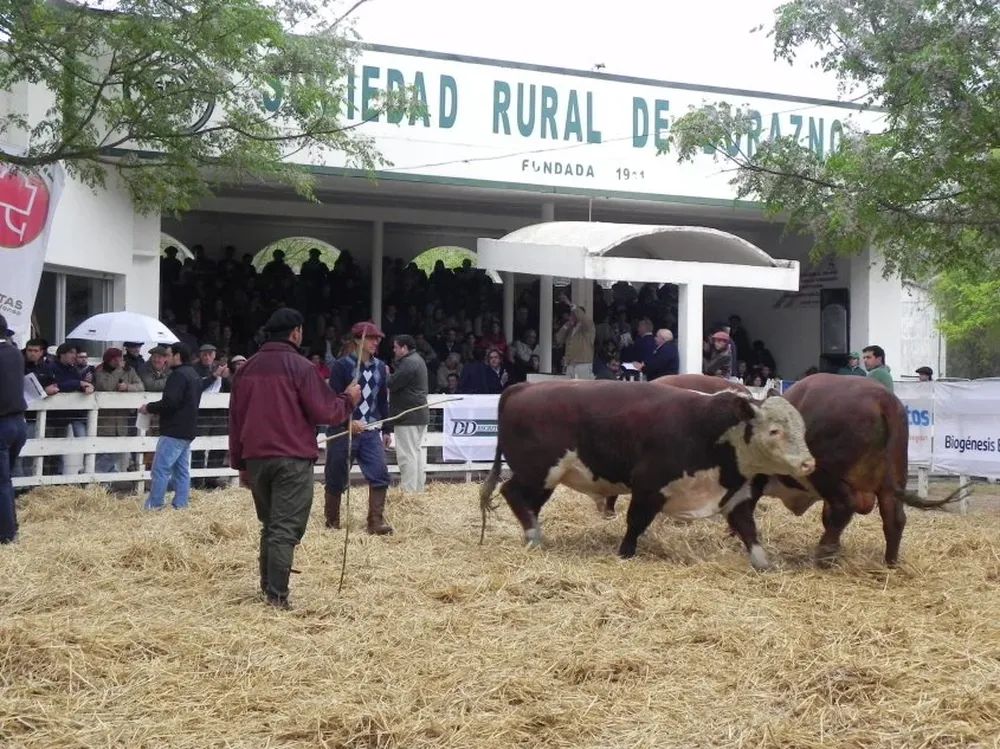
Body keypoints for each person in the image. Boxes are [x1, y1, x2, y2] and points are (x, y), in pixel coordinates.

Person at [228, 308, 361, 609]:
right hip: (291, 456)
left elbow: (235, 419)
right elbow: (326, 412)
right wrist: (349, 399)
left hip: (256, 458)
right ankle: (277, 596)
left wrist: (240, 464)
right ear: (296, 332)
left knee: (269, 525)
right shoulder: (300, 367)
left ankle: (267, 587)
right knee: (285, 529)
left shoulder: (246, 369)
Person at [324, 321, 393, 535]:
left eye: (378, 338)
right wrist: (346, 423)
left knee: (380, 473)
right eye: (371, 338)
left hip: (370, 429)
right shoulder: (341, 367)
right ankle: (332, 522)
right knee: (335, 476)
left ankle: (375, 522)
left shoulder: (381, 367)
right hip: (342, 431)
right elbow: (332, 401)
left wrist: (387, 429)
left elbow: (382, 400)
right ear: (357, 340)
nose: (376, 342)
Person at [139, 342, 202, 510]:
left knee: (160, 470)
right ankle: (181, 505)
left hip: (174, 430)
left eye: (167, 355)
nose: (165, 359)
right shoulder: (193, 374)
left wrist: (149, 407)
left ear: (177, 356)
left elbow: (170, 402)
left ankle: (155, 506)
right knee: (181, 471)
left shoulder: (178, 376)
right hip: (187, 429)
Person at [387, 334, 430, 494]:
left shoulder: (408, 363)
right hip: (418, 413)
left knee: (407, 455)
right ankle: (417, 489)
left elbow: (392, 383)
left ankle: (409, 491)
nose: (394, 350)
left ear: (404, 348)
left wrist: (386, 373)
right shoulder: (416, 360)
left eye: (396, 347)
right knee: (416, 452)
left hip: (408, 415)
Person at [0, 315, 27, 544]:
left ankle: (8, 534)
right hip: (18, 423)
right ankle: (11, 527)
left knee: (2, 482)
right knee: (5, 480)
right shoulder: (15, 353)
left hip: (2, 423)